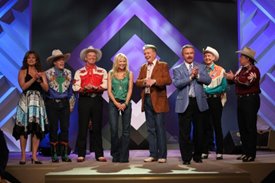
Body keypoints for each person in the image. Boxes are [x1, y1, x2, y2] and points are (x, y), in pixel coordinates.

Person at [172, 44, 211, 165]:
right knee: (184, 132)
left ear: (194, 54)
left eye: (191, 53)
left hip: (198, 102)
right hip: (185, 103)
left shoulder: (202, 67)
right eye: (187, 53)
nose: (189, 55)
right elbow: (177, 84)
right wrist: (190, 77)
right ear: (183, 55)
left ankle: (197, 155)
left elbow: (208, 80)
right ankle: (186, 157)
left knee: (199, 131)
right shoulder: (177, 69)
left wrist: (198, 75)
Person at [136, 44, 172, 163]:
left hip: (159, 101)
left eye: (148, 53)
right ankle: (153, 154)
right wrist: (144, 82)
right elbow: (138, 82)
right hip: (146, 99)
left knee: (160, 128)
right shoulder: (143, 67)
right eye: (145, 54)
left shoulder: (163, 65)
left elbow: (168, 80)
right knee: (150, 129)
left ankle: (162, 155)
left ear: (154, 53)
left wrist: (155, 81)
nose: (146, 55)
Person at [225, 47, 260, 162]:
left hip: (250, 100)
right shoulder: (241, 70)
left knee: (250, 126)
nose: (240, 59)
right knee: (243, 127)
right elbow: (237, 80)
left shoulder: (253, 70)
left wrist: (234, 77)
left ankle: (251, 154)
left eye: (242, 57)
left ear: (248, 59)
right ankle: (245, 152)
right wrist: (230, 78)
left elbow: (246, 82)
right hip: (241, 99)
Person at [13, 50, 48, 164]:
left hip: (38, 102)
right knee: (24, 129)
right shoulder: (23, 71)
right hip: (26, 102)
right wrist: (33, 78)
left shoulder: (42, 73)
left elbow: (46, 88)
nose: (31, 59)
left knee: (36, 130)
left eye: (33, 57)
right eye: (29, 58)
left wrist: (40, 79)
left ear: (36, 59)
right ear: (26, 60)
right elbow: (23, 87)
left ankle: (34, 156)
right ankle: (23, 156)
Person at [73, 46, 107, 162]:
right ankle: (81, 153)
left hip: (97, 99)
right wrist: (84, 88)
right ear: (85, 58)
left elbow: (105, 85)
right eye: (89, 56)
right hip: (84, 99)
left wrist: (96, 87)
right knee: (83, 126)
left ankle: (99, 154)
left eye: (94, 56)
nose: (92, 57)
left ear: (96, 58)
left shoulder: (102, 71)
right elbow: (75, 86)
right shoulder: (79, 71)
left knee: (97, 127)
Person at [45, 49, 75, 163]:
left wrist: (71, 104)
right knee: (53, 128)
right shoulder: (48, 73)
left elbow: (71, 91)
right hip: (52, 102)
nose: (61, 62)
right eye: (58, 60)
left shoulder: (68, 73)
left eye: (62, 60)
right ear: (54, 62)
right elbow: (46, 90)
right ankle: (54, 154)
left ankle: (64, 154)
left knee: (65, 128)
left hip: (64, 102)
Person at [202, 46, 227, 160]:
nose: (207, 57)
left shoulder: (220, 70)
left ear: (213, 57)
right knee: (206, 126)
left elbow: (223, 87)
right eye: (205, 55)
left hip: (215, 100)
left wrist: (208, 90)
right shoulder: (201, 70)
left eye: (209, 55)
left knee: (217, 125)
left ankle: (219, 151)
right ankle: (205, 150)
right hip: (204, 100)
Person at [107, 53, 133, 163]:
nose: (122, 63)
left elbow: (130, 89)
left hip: (126, 103)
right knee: (114, 130)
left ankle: (124, 156)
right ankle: (115, 154)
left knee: (126, 131)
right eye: (120, 61)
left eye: (124, 61)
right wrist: (117, 103)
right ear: (116, 62)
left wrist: (125, 103)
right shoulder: (111, 73)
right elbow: (109, 91)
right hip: (114, 103)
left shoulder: (129, 73)